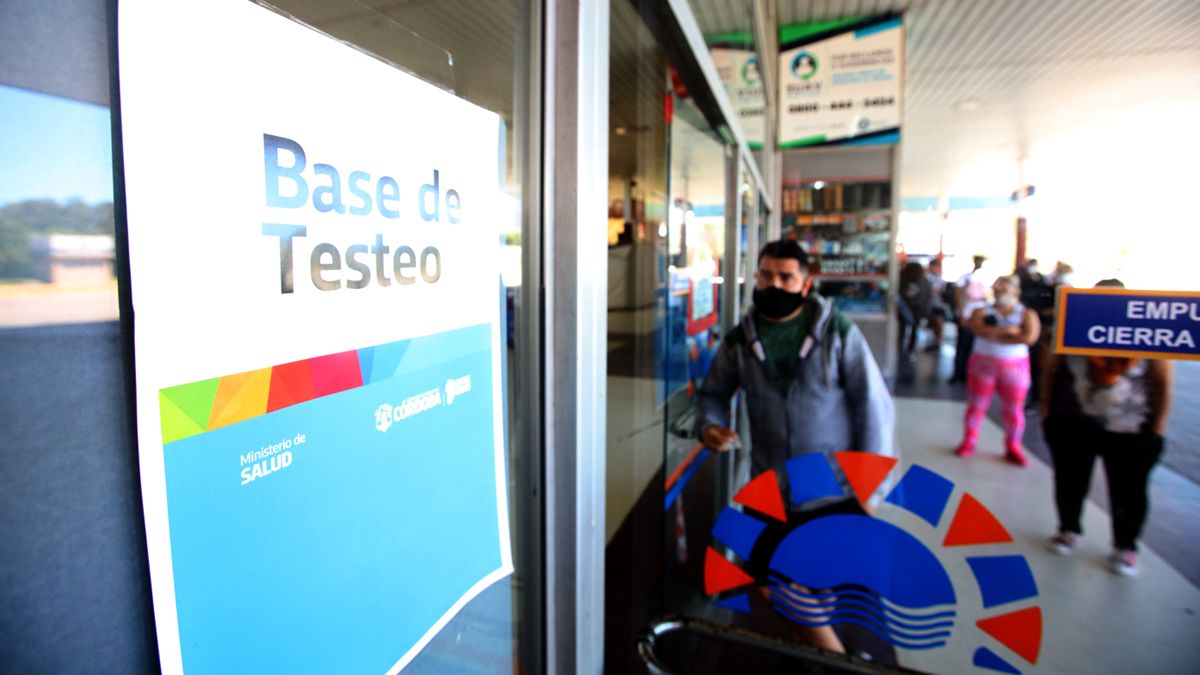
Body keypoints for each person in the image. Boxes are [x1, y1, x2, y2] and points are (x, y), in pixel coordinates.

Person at [695, 239, 894, 653]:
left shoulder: (837, 331)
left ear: (806, 285)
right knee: (773, 586)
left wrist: (870, 489)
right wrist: (710, 425)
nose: (775, 284)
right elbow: (713, 394)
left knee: (821, 586)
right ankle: (836, 659)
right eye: (767, 275)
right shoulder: (739, 340)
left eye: (786, 277)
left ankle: (831, 658)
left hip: (834, 490)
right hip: (769, 490)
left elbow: (872, 407)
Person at [1040, 279, 1173, 576]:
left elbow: (1162, 382)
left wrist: (1158, 428)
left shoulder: (1147, 334)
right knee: (1069, 481)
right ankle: (1067, 529)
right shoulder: (1070, 328)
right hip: (1073, 425)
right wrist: (1047, 410)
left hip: (1131, 431)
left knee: (1130, 491)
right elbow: (1050, 371)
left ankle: (1125, 545)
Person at [954, 275, 1040, 465]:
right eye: (998, 288)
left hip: (1014, 367)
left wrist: (994, 333)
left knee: (1013, 409)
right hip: (982, 365)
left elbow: (1030, 337)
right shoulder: (981, 310)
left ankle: (1013, 445)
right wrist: (1009, 333)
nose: (1001, 292)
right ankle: (969, 441)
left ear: (1016, 290)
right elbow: (977, 329)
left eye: (1006, 288)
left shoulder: (1026, 313)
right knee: (976, 405)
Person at [950, 255, 988, 383]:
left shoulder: (984, 279)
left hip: (977, 317)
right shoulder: (965, 278)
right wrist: (961, 314)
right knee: (962, 345)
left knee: (973, 345)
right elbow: (958, 296)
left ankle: (968, 374)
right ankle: (957, 373)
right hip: (966, 315)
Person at [925, 258, 947, 351]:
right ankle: (934, 342)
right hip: (931, 305)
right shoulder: (929, 278)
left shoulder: (939, 279)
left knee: (938, 324)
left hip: (938, 305)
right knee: (932, 324)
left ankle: (937, 343)